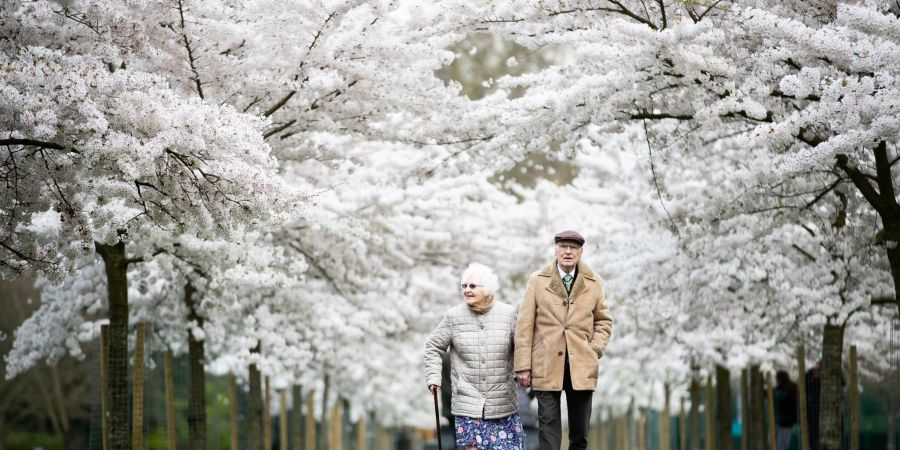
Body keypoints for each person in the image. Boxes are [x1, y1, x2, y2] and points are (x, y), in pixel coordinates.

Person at [514, 230, 613, 450]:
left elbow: (604, 322)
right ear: (556, 250)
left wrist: (593, 349)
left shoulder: (594, 282)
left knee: (579, 435)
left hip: (581, 366)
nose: (568, 252)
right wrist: (522, 366)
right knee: (548, 435)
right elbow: (524, 325)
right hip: (545, 364)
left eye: (573, 248)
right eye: (563, 247)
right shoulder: (537, 281)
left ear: (581, 252)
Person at [425, 263, 524, 450]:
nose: (467, 290)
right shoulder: (453, 316)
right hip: (467, 402)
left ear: (487, 289)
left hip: (502, 402)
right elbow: (433, 346)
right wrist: (433, 377)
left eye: (472, 286)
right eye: (464, 286)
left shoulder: (509, 314)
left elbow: (524, 347)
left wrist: (524, 371)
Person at [773, 370, 798, 450]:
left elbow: (778, 396)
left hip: (784, 423)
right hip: (786, 423)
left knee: (782, 446)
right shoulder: (791, 388)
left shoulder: (785, 391)